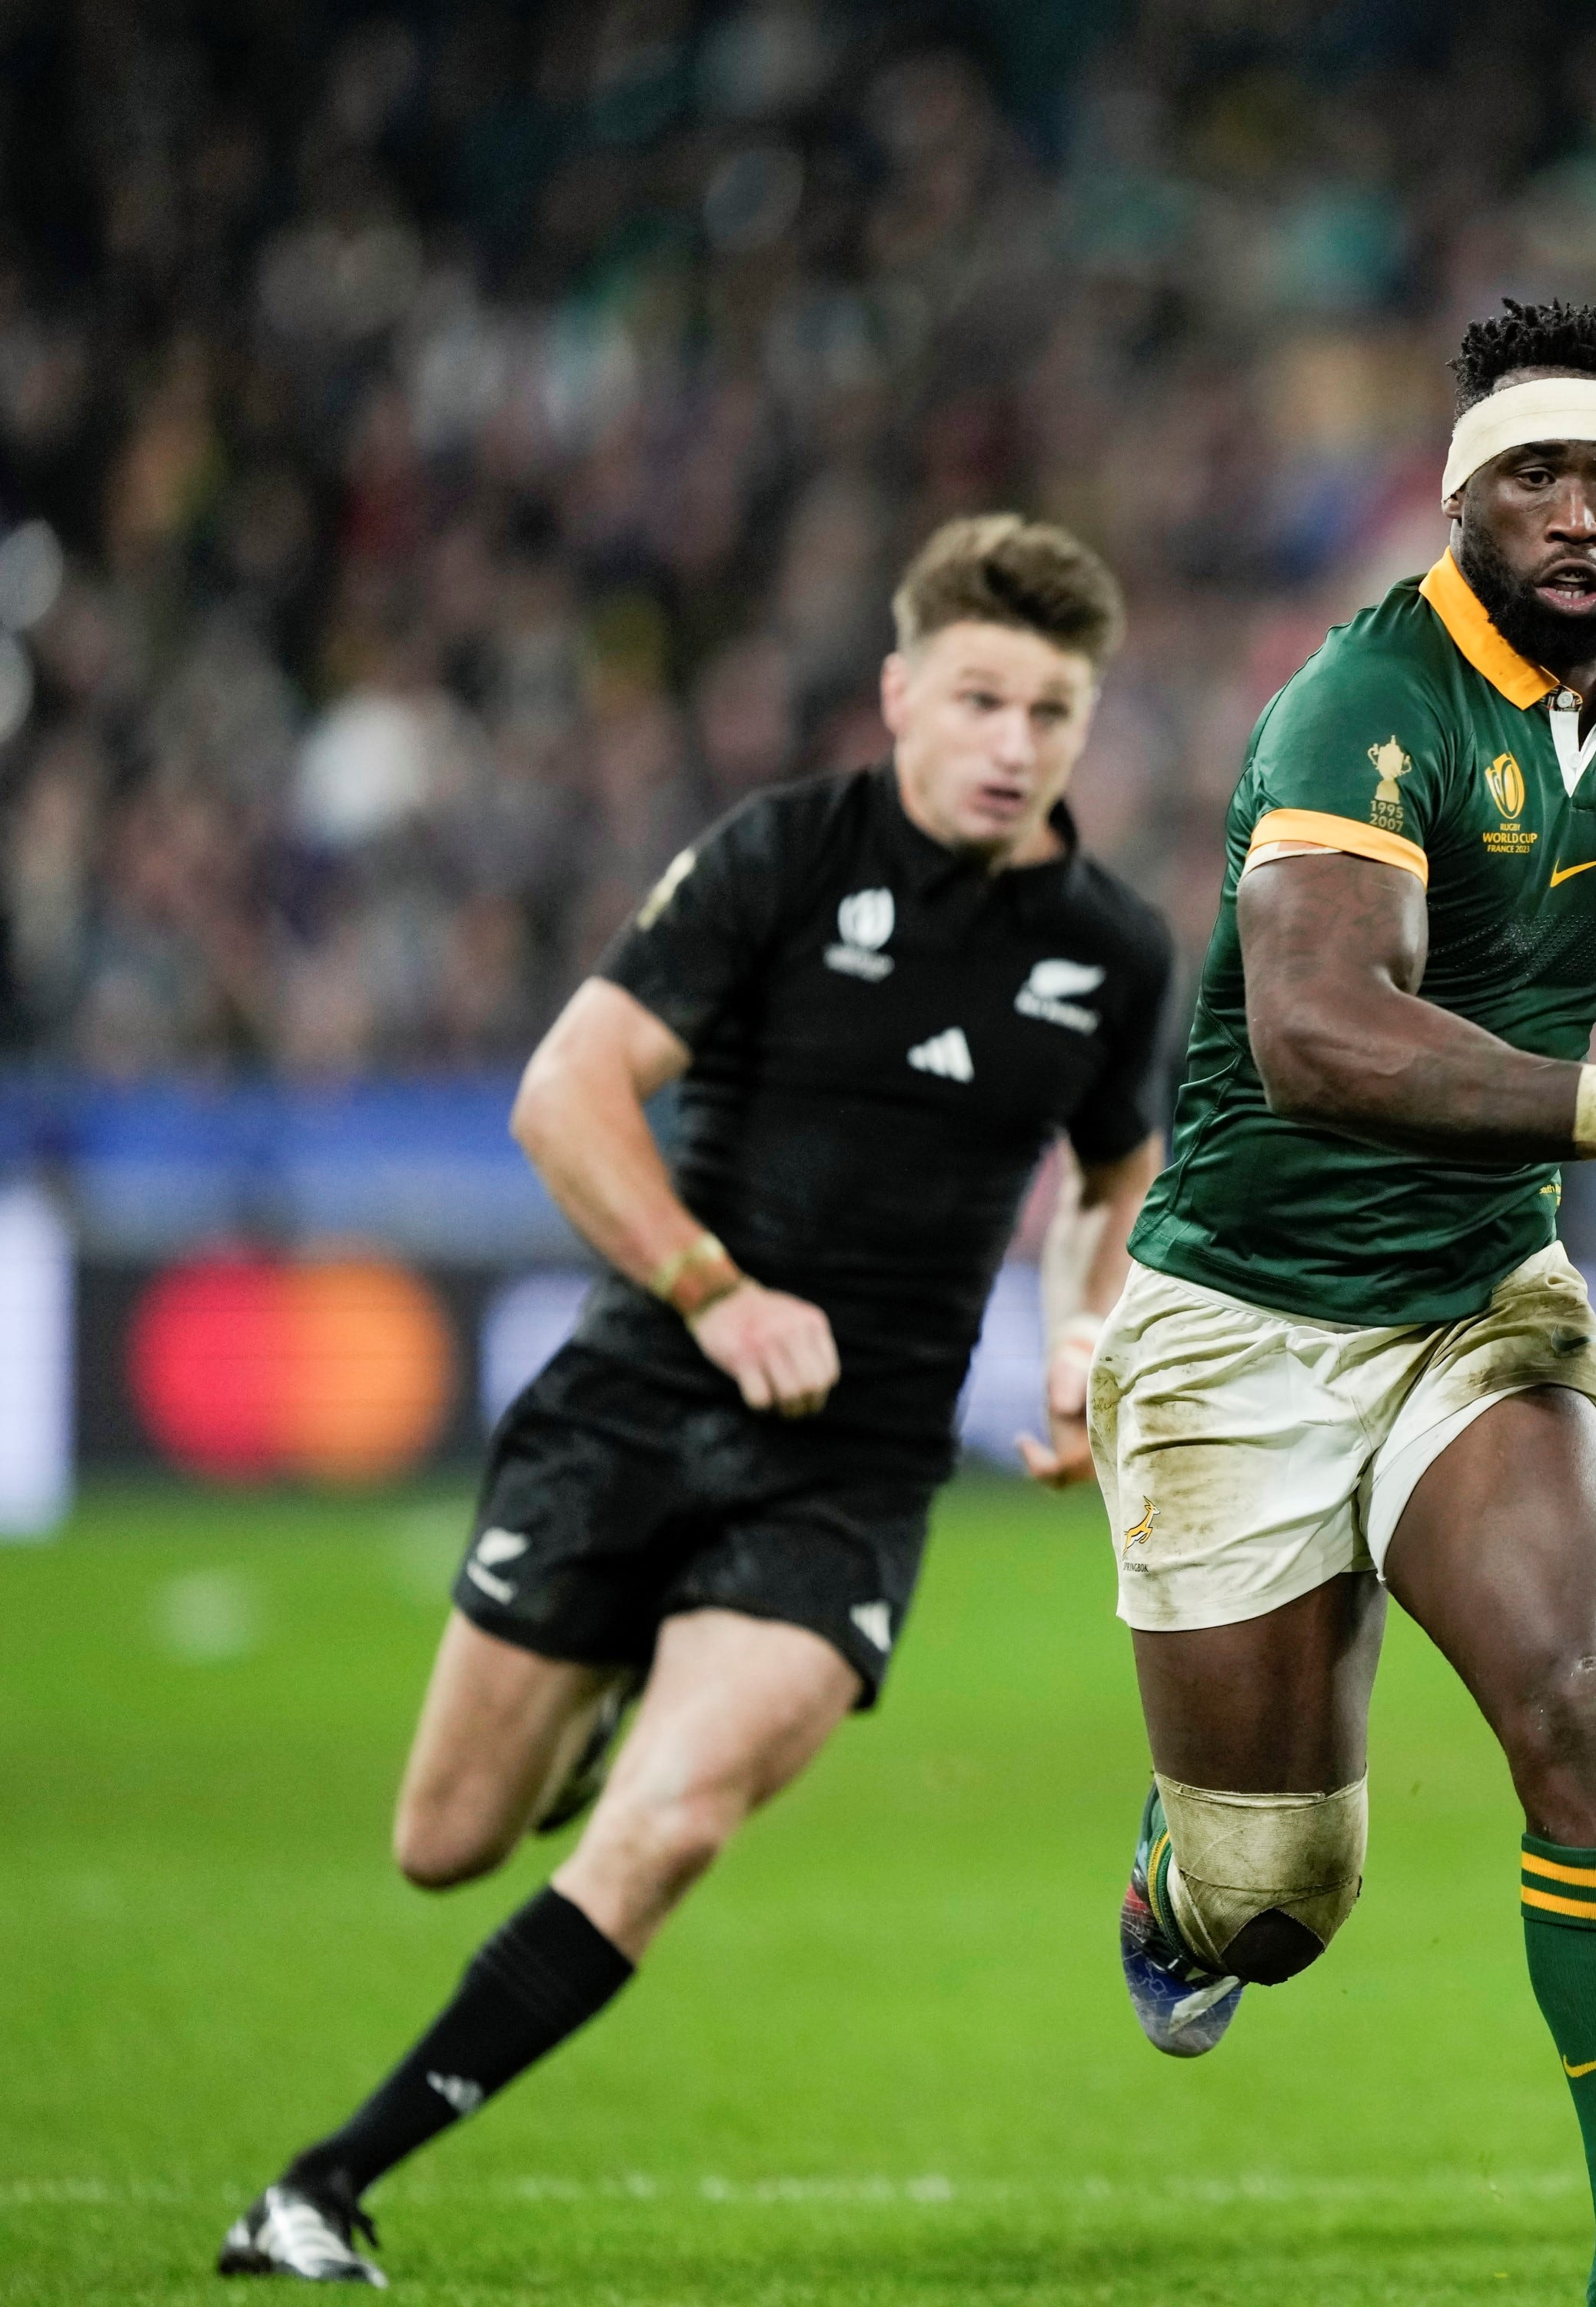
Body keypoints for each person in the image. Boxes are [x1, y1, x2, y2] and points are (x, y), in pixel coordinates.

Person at [217, 517, 1175, 2286]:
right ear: (899, 696)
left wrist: (1083, 1338)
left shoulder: (1113, 947)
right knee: (446, 1842)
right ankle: (593, 1700)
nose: (1013, 744)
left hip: (856, 1468)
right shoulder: (779, 859)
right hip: (645, 1394)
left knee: (672, 1828)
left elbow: (1118, 1180)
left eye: (1053, 711)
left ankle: (323, 2189)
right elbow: (568, 1090)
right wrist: (713, 1290)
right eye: (979, 699)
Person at [1083, 296, 1596, 2307]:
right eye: (1536, 471)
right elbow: (1314, 1034)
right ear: (1459, 499)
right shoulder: (1358, 705)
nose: (1579, 510)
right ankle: (1179, 1903)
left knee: (1580, 1706)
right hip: (1241, 1319)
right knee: (1274, 1896)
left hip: (1476, 1304)